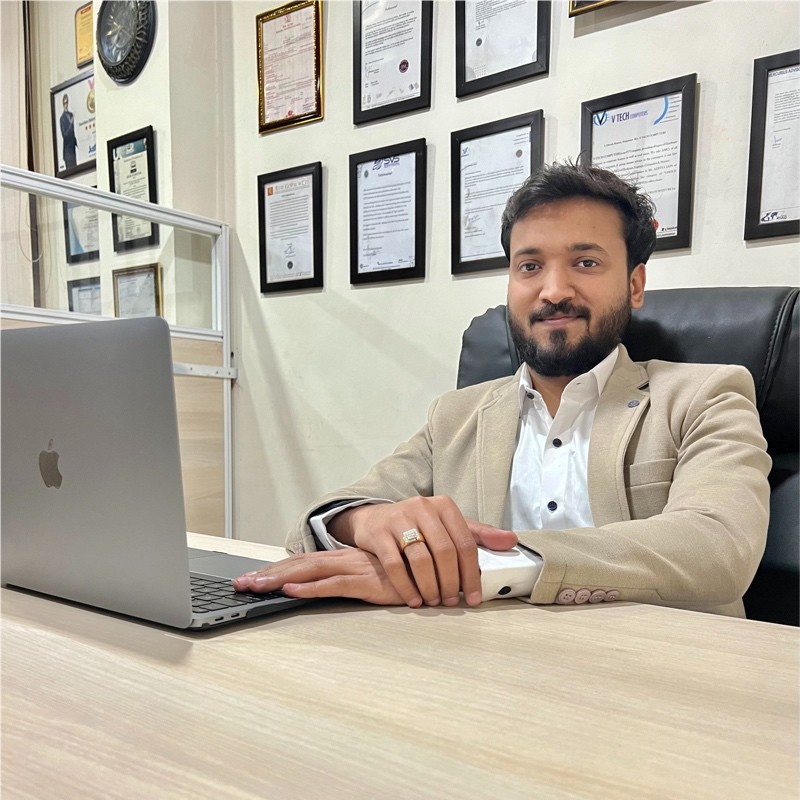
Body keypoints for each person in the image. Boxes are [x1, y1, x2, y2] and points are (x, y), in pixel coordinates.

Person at [234, 160, 771, 618]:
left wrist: (491, 567)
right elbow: (323, 518)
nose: (553, 290)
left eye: (585, 262)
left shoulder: (705, 396)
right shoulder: (455, 416)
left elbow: (718, 547)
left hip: (661, 673)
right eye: (529, 266)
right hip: (486, 668)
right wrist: (368, 521)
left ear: (634, 284)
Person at [60, 94, 77, 170]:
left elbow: (73, 131)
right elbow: (64, 135)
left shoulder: (70, 114)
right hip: (67, 151)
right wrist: (70, 124)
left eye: (66, 102)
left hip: (72, 148)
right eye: (64, 103)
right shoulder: (62, 119)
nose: (65, 105)